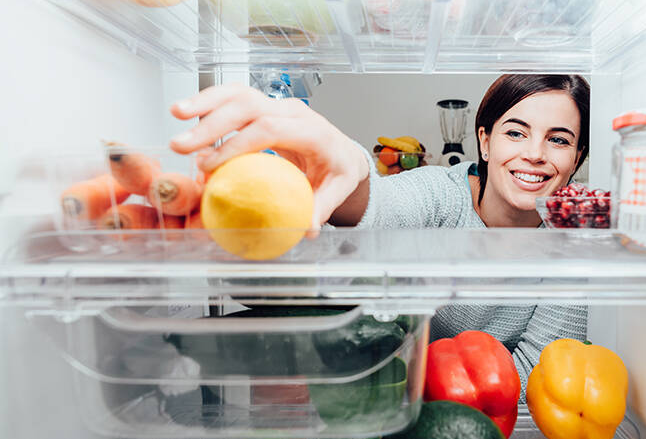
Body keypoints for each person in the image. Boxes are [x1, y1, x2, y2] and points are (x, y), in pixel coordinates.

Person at [169, 74, 590, 399]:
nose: (535, 153)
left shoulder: (572, 244)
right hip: (390, 396)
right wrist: (348, 167)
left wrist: (438, 389)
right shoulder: (441, 193)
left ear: (577, 159)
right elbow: (382, 207)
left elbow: (546, 373)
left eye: (558, 140)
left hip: (480, 412)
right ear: (484, 141)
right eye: (515, 132)